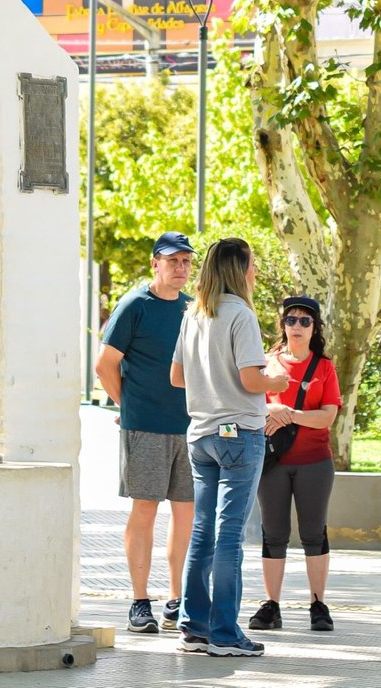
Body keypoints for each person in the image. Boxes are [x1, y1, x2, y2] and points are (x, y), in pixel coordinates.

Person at [170, 237, 290, 657]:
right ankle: (225, 634)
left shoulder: (193, 313)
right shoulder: (241, 314)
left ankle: (194, 627)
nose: (254, 272)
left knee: (202, 531)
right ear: (239, 271)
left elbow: (177, 377)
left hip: (201, 434)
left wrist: (211, 382)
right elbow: (251, 380)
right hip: (239, 433)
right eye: (251, 265)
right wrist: (276, 380)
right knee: (230, 535)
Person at [95, 231, 196, 636]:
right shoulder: (135, 305)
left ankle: (177, 601)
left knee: (186, 513)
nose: (180, 268)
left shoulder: (193, 308)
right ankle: (139, 602)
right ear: (155, 263)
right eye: (172, 261)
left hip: (191, 427)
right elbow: (104, 364)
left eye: (186, 261)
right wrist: (129, 407)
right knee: (145, 510)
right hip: (146, 428)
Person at [250, 295, 343, 634]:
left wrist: (288, 414)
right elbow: (250, 404)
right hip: (273, 461)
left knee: (313, 533)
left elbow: (327, 417)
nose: (298, 326)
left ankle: (318, 604)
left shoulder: (324, 367)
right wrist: (272, 411)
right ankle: (271, 605)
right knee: (273, 533)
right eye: (291, 320)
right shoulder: (267, 362)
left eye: (305, 320)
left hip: (314, 462)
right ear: (283, 325)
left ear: (315, 327)